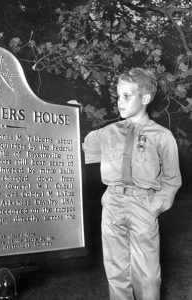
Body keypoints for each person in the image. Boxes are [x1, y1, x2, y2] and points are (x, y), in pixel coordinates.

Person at [82, 68, 182, 300]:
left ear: (145, 99)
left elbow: (171, 179)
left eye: (127, 96)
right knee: (116, 272)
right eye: (118, 96)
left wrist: (155, 206)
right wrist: (71, 118)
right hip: (113, 204)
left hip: (143, 204)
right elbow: (79, 151)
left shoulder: (161, 135)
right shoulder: (107, 133)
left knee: (147, 276)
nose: (120, 101)